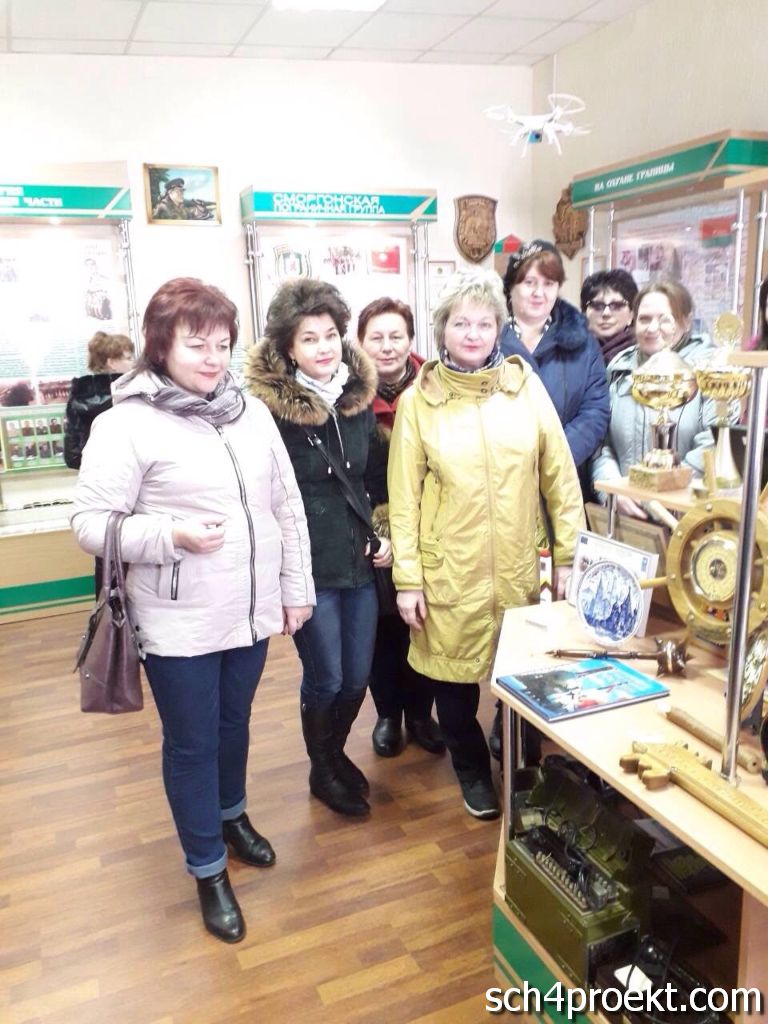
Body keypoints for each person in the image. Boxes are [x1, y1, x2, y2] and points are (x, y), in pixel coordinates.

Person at [71, 277, 314, 945]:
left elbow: (286, 505)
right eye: (196, 344)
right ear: (161, 345)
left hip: (251, 611)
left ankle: (232, 816)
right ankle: (208, 868)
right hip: (177, 620)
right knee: (193, 742)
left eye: (223, 344)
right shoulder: (124, 423)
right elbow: (90, 523)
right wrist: (169, 534)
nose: (213, 358)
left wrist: (296, 589)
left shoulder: (250, 411)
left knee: (234, 725)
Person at [387, 270, 585, 820]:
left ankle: (517, 759)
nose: (472, 334)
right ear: (442, 330)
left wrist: (568, 556)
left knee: (525, 676)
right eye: (460, 323)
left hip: (523, 566)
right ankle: (472, 770)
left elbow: (560, 479)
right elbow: (403, 500)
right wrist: (408, 579)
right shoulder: (418, 403)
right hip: (450, 570)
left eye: (483, 323)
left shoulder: (526, 389)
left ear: (499, 328)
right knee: (453, 686)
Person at [245, 278, 392, 819]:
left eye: (330, 335)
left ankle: (331, 753)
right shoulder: (267, 412)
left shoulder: (357, 399)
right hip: (308, 565)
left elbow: (375, 476)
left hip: (360, 560)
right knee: (326, 676)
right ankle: (323, 767)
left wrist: (385, 529)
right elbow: (264, 495)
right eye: (309, 339)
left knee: (357, 677)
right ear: (289, 348)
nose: (324, 347)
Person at [356, 296, 444, 759]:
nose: (387, 346)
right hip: (371, 530)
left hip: (430, 528)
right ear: (361, 342)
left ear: (411, 340)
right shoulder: (347, 396)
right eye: (377, 337)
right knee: (383, 630)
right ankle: (389, 715)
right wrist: (377, 532)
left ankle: (421, 715)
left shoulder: (436, 388)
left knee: (424, 623)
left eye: (397, 336)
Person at [591, 279, 720, 519]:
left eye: (664, 319)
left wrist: (665, 493)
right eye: (644, 319)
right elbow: (601, 443)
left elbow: (713, 443)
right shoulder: (618, 370)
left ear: (686, 322)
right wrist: (612, 489)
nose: (652, 328)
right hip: (624, 514)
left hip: (685, 516)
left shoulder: (709, 372)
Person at [500, 239, 610, 480]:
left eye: (549, 283)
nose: (539, 293)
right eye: (529, 283)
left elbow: (595, 411)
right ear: (511, 287)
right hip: (502, 478)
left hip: (565, 477)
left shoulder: (584, 345)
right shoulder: (487, 342)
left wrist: (554, 458)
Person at [64, 331, 135, 470]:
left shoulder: (78, 395)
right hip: (130, 471)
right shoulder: (130, 394)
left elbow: (72, 455)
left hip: (93, 471)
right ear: (112, 363)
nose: (133, 363)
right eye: (129, 358)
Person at [580, 268, 638, 365]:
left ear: (631, 314)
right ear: (584, 313)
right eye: (597, 305)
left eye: (617, 305)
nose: (606, 313)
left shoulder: (644, 354)